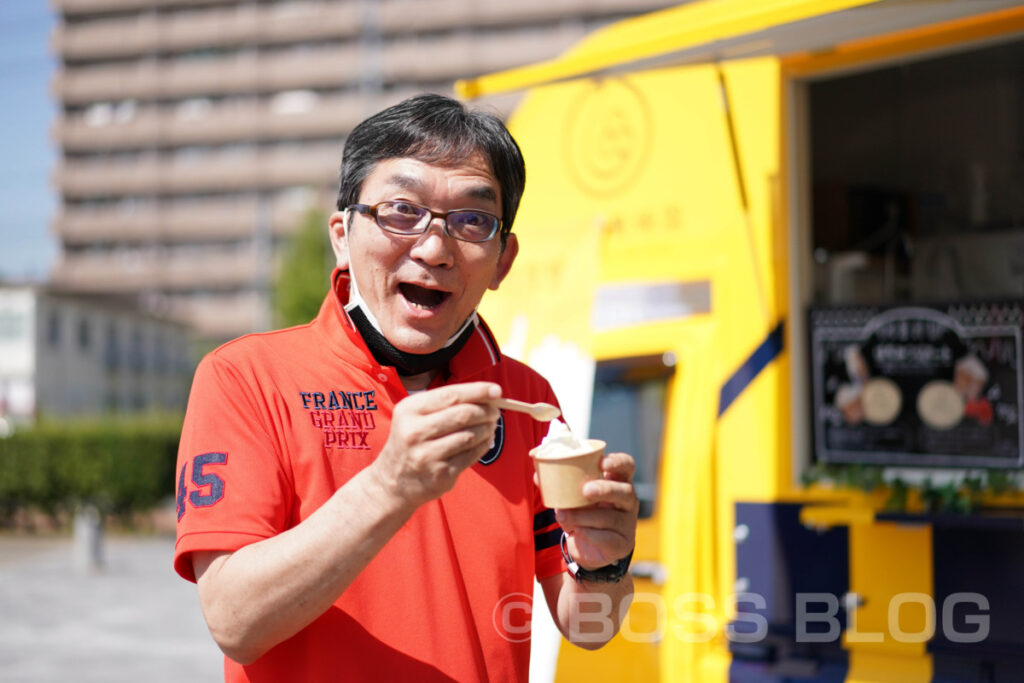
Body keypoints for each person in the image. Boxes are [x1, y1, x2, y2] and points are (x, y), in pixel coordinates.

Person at [174, 93, 639, 682]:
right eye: (401, 210)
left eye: (473, 220)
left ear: (502, 261)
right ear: (342, 234)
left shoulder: (526, 397)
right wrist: (391, 487)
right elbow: (235, 622)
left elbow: (588, 629)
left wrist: (605, 565)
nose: (434, 248)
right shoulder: (246, 377)